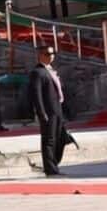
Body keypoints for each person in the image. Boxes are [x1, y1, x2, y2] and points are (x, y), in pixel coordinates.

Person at [29, 44, 70, 175]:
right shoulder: (37, 72)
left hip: (57, 109)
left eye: (53, 54)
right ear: (40, 55)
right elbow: (36, 95)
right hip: (48, 111)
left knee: (59, 138)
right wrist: (41, 113)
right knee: (49, 140)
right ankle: (50, 168)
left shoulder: (51, 70)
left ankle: (54, 163)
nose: (51, 56)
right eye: (47, 54)